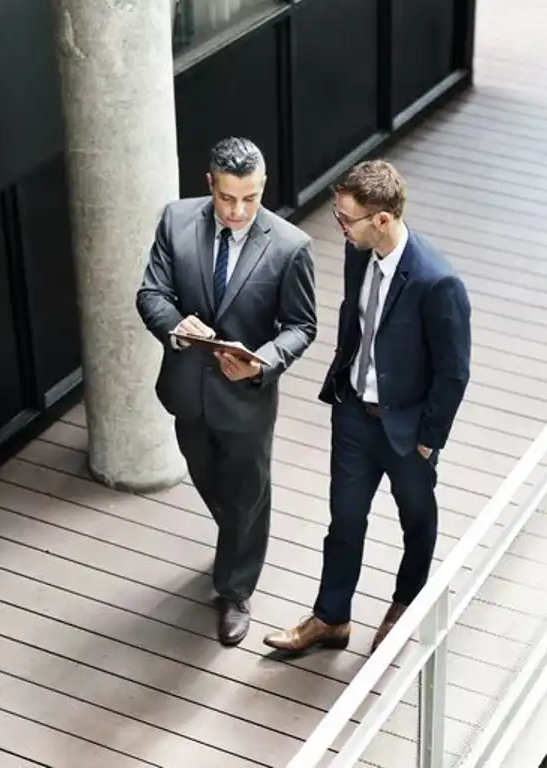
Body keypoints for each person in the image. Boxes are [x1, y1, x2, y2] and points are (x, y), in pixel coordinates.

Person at [263, 159, 471, 656]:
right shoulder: (359, 253)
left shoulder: (436, 282)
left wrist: (428, 438)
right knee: (344, 523)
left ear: (381, 219)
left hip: (407, 429)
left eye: (345, 219)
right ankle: (331, 619)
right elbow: (356, 324)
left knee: (416, 520)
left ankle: (405, 604)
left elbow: (454, 371)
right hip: (355, 414)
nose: (339, 227)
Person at [136, 136, 317, 646]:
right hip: (187, 391)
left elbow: (301, 326)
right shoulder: (175, 220)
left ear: (263, 187)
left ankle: (236, 588)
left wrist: (262, 364)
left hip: (247, 400)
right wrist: (175, 325)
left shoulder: (289, 246)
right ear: (209, 184)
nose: (239, 211)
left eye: (251, 198)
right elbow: (151, 292)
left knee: (246, 493)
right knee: (210, 479)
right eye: (228, 197)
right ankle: (239, 536)